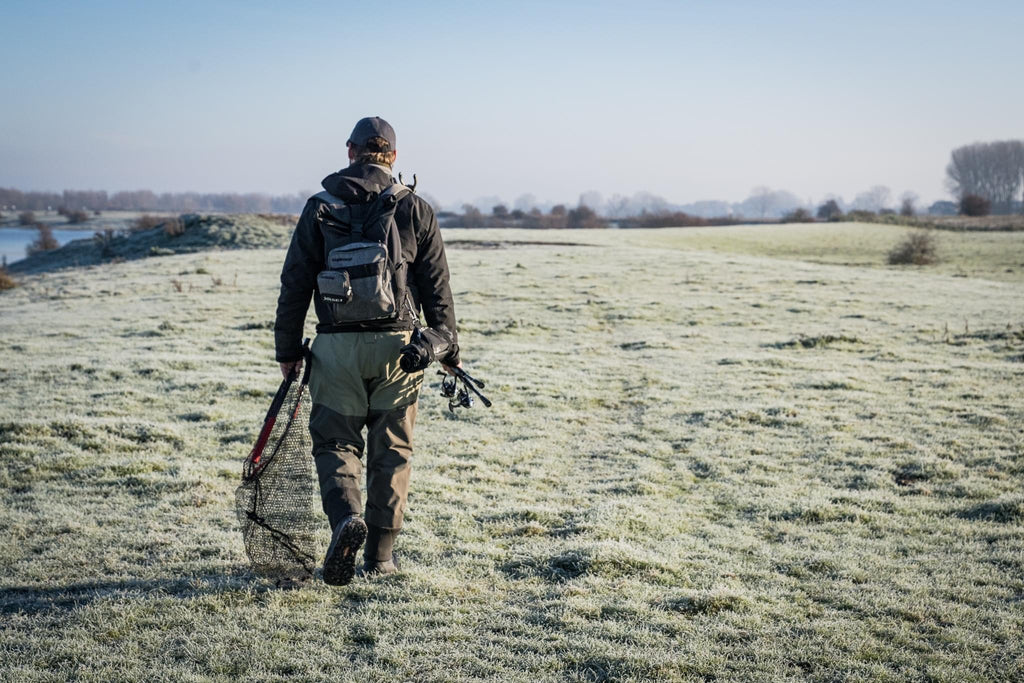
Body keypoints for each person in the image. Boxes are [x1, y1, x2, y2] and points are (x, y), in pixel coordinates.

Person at [274, 116, 460, 586]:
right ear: (393, 157)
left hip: (335, 349)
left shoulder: (319, 206)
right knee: (391, 452)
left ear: (350, 151)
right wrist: (447, 347)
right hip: (400, 350)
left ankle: (345, 521)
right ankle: (380, 557)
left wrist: (288, 350)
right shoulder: (414, 207)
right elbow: (437, 290)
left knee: (336, 445)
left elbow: (295, 284)